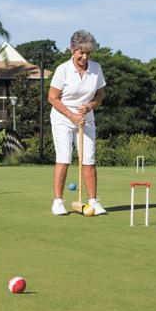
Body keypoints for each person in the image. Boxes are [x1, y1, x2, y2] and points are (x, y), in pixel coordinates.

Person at [48, 30, 106, 216]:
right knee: (64, 157)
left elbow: (100, 94)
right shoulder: (63, 70)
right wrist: (72, 116)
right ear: (71, 49)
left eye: (88, 53)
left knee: (89, 159)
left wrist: (90, 105)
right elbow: (52, 98)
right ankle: (58, 202)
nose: (85, 57)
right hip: (63, 118)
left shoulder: (96, 68)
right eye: (81, 53)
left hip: (86, 119)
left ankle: (93, 201)